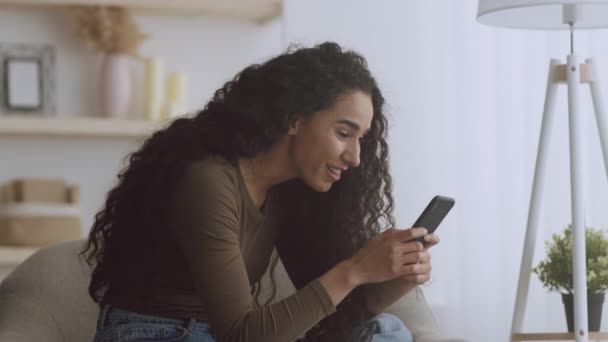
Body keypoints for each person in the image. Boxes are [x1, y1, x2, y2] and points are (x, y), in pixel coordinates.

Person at [83, 42, 439, 342]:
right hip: (156, 333)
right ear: (295, 119)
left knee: (384, 331)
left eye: (361, 139)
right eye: (344, 134)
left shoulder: (287, 193)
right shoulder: (207, 180)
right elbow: (241, 334)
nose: (356, 157)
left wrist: (399, 275)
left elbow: (334, 316)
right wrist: (355, 269)